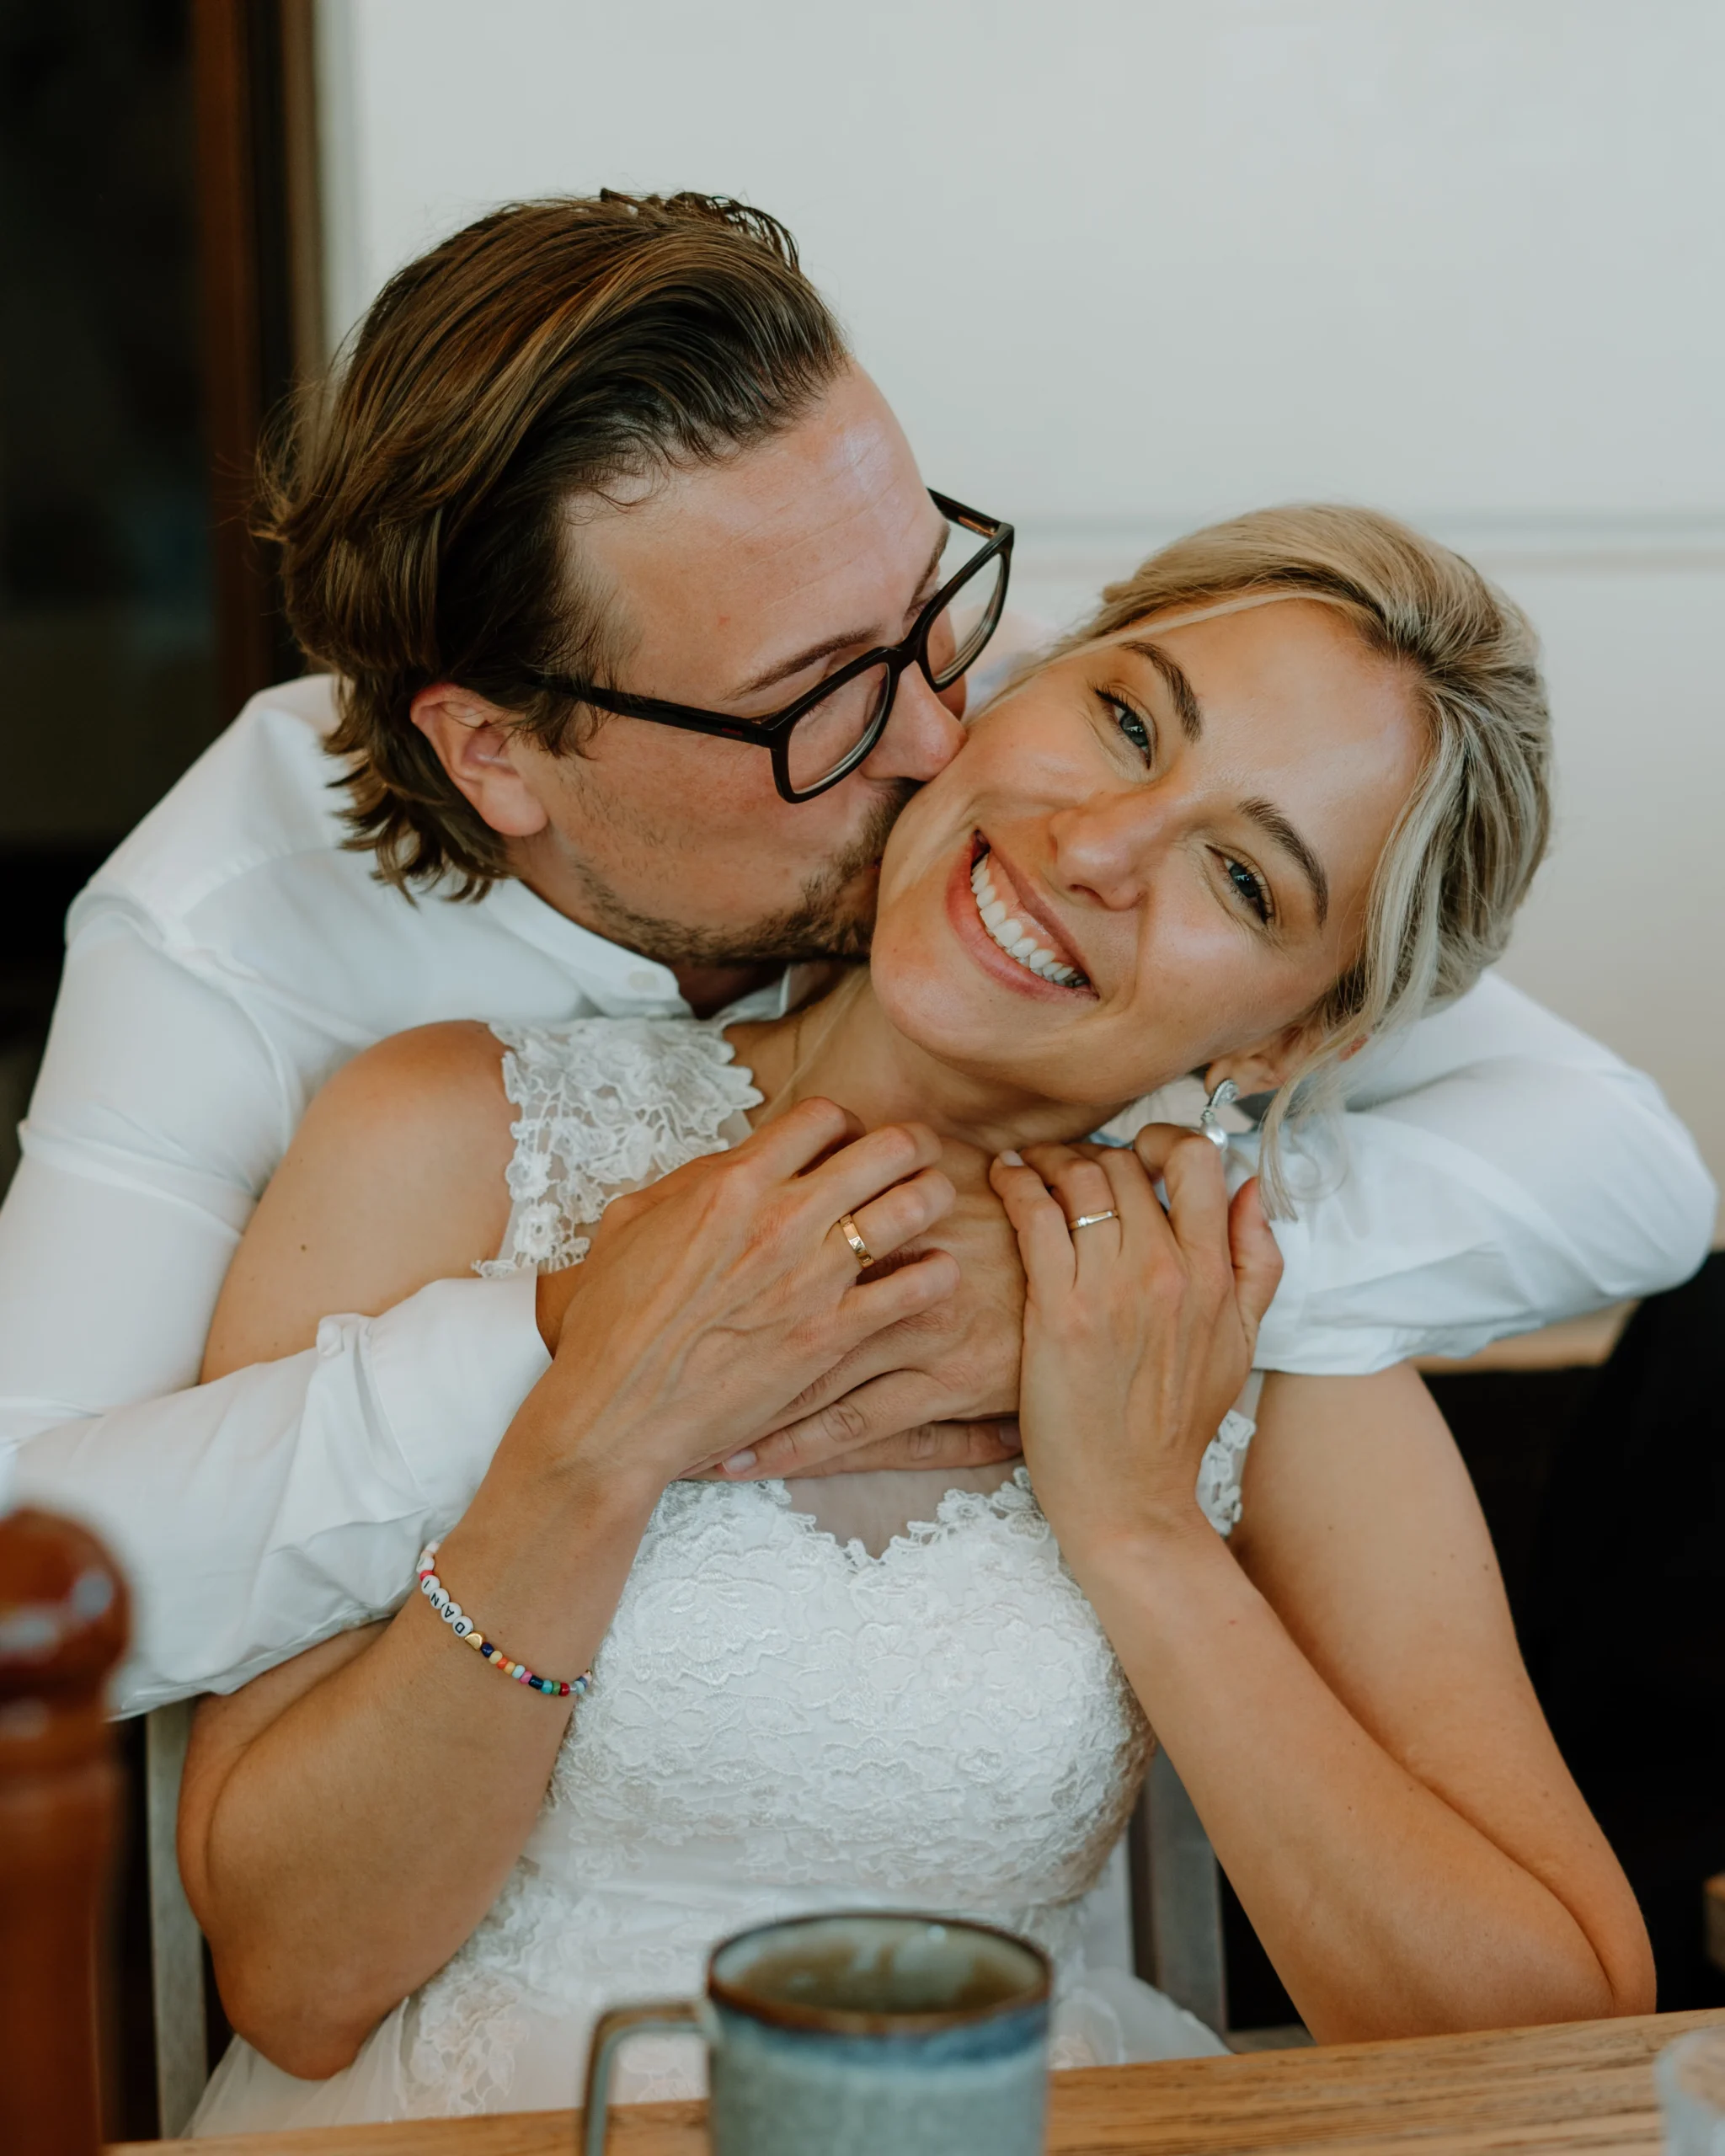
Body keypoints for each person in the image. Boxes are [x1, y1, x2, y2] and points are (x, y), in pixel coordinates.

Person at [0, 196, 1712, 1716]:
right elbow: (29, 1569)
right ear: (500, 753)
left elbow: (1624, 1165)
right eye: (815, 700)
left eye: (929, 602)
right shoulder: (223, 932)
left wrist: (1049, 1276)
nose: (936, 739)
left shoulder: (1028, 766)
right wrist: (585, 1346)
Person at [179, 507, 1654, 2131]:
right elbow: (293, 1983)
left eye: (1240, 876)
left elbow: (1554, 2033)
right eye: (1125, 718)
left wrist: (1144, 1529)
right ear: (1002, 690)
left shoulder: (1236, 1342)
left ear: (1290, 1039)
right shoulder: (451, 1141)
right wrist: (599, 1440)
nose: (1097, 847)